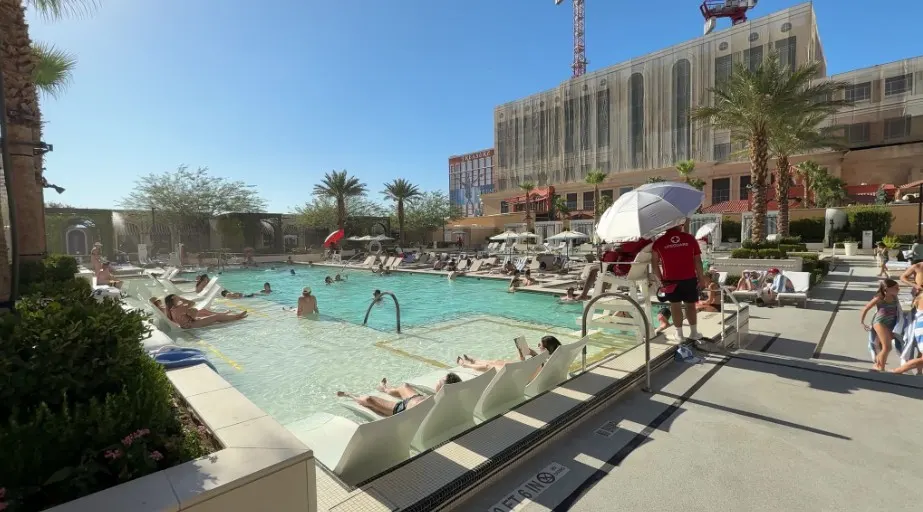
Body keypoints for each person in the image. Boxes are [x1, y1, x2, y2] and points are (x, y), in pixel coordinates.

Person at [651, 225, 707, 342]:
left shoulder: (659, 242)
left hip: (670, 281)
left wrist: (661, 282)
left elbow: (654, 265)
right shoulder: (690, 239)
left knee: (675, 307)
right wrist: (701, 279)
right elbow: (698, 261)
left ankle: (679, 335)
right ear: (678, 225)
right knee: (690, 306)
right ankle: (694, 333)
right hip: (689, 279)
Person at [337, 373, 462, 417]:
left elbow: (413, 414)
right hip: (415, 399)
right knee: (404, 386)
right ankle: (384, 388)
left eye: (439, 381)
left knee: (369, 399)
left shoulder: (436, 402)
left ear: (444, 388)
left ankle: (350, 395)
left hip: (401, 408)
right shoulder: (446, 399)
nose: (437, 382)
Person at [457, 336, 562, 381]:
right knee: (498, 362)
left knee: (488, 366)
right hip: (528, 371)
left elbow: (524, 366)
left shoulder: (542, 361)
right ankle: (474, 360)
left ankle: (465, 365)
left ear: (546, 348)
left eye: (540, 345)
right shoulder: (552, 357)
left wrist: (521, 355)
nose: (538, 345)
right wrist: (532, 352)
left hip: (520, 377)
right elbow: (539, 363)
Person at [860, 278, 901, 371]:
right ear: (886, 288)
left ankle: (878, 365)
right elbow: (866, 308)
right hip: (880, 323)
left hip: (889, 324)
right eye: (896, 288)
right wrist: (862, 322)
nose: (898, 289)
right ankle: (880, 367)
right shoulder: (879, 298)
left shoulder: (895, 297)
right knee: (887, 347)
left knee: (883, 347)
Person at [164, 294, 246, 328]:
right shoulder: (179, 307)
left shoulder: (171, 310)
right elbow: (192, 303)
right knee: (216, 317)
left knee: (209, 316)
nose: (179, 298)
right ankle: (236, 317)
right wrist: (182, 299)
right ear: (174, 299)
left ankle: (231, 317)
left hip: (188, 324)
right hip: (191, 325)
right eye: (177, 297)